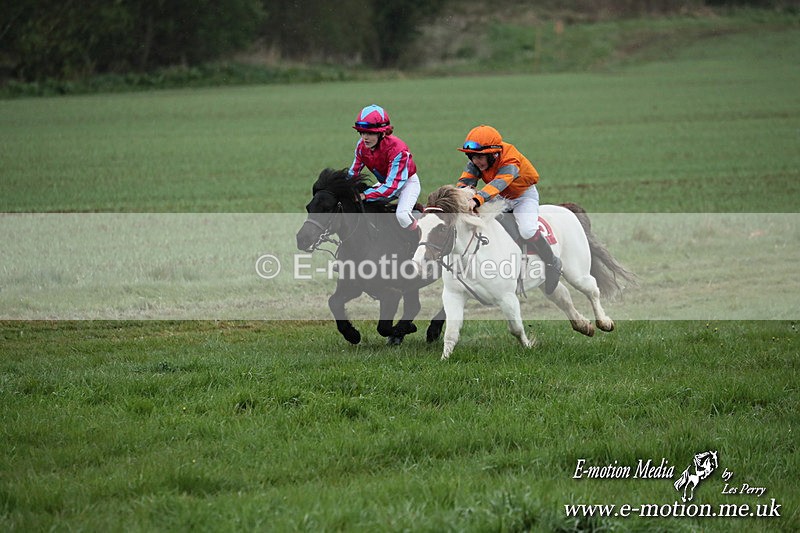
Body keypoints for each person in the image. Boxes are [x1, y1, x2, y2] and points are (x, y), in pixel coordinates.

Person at [456, 124, 562, 294]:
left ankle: (552, 263)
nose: (476, 161)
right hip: (500, 196)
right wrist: (459, 197)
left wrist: (477, 199)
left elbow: (500, 183)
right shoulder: (477, 163)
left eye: (480, 157)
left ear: (494, 153)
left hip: (522, 197)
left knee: (527, 230)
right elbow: (465, 182)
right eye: (472, 157)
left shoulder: (510, 159)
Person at [348, 104, 421, 230]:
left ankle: (423, 235)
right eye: (362, 132)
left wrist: (365, 195)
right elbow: (352, 173)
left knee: (402, 216)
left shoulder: (398, 150)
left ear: (382, 133)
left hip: (406, 184)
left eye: (370, 134)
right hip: (386, 183)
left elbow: (392, 187)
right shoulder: (361, 146)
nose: (365, 138)